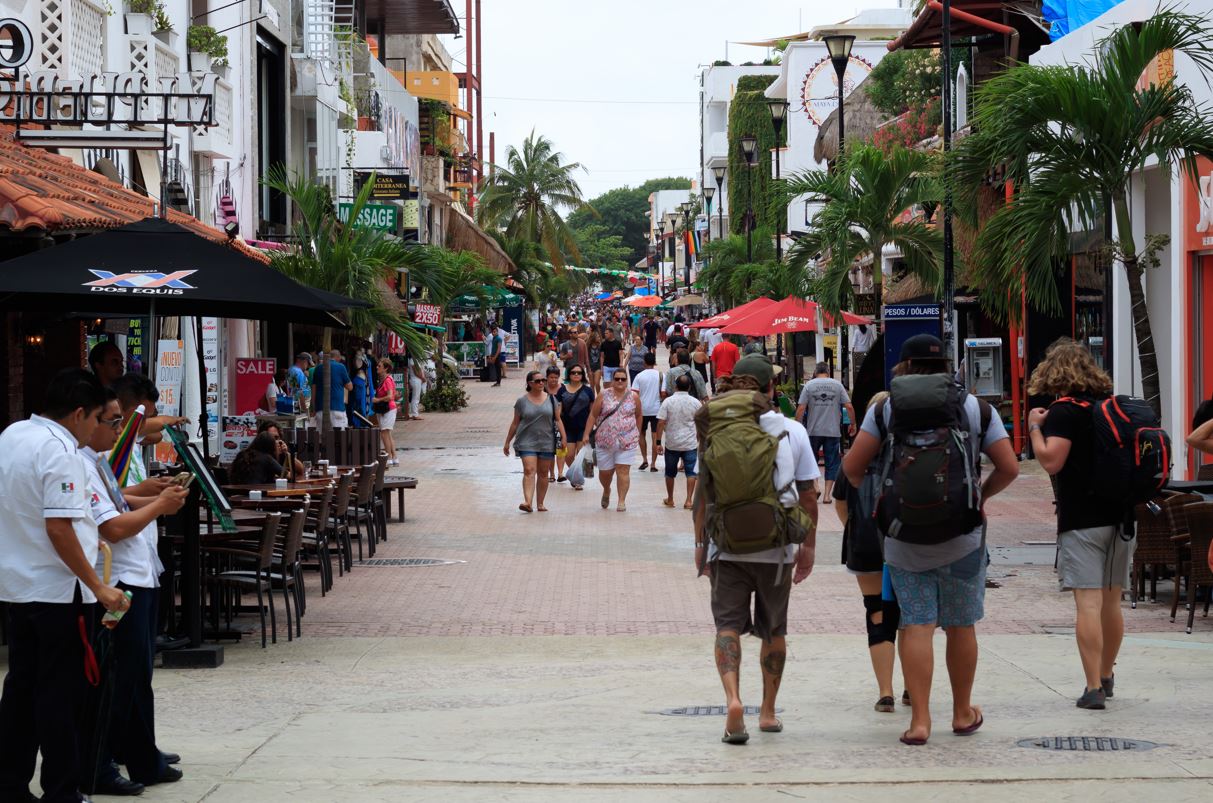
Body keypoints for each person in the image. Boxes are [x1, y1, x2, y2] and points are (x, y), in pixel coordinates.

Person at [842, 334, 1019, 746]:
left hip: (904, 539)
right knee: (960, 625)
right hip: (964, 536)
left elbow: (853, 467)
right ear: (947, 366)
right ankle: (961, 713)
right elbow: (1009, 467)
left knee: (917, 625)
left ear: (902, 367)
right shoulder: (976, 407)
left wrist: (883, 497)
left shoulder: (885, 408)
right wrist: (979, 496)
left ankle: (919, 722)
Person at [0, 368, 130, 802]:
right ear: (78, 413)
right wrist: (98, 585)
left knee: (21, 688)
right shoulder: (62, 452)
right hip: (59, 591)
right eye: (97, 418)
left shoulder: (13, 435)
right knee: (60, 694)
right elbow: (59, 528)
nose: (97, 428)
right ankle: (62, 789)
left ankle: (11, 783)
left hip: (19, 586)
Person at [694, 354, 819, 744]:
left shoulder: (715, 428)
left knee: (726, 626)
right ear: (770, 389)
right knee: (774, 629)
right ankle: (766, 713)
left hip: (727, 545)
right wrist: (809, 546)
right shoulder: (792, 431)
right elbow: (810, 495)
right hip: (777, 547)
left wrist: (701, 546)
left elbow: (703, 495)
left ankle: (733, 700)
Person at [81, 386, 188, 795]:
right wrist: (158, 506)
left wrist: (151, 492)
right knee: (121, 675)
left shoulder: (99, 460)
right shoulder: (93, 457)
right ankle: (105, 760)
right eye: (114, 422)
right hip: (117, 577)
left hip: (139, 571)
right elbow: (110, 524)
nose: (120, 429)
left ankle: (139, 752)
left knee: (137, 672)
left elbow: (117, 497)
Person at [1026, 338, 1134, 710]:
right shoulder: (1110, 408)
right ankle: (1107, 673)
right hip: (1121, 518)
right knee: (1112, 602)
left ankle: (1092, 688)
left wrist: (1034, 429)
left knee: (1087, 605)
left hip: (1082, 520)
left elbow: (1051, 461)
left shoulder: (1064, 412)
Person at [833, 391, 905, 713]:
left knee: (876, 610)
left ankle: (885, 691)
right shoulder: (909, 454)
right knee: (911, 615)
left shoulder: (856, 459)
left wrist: (858, 525)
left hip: (864, 544)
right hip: (905, 543)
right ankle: (913, 688)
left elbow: (840, 503)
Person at [503, 371, 568, 513]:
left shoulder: (552, 400)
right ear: (530, 383)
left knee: (544, 473)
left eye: (542, 380)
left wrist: (564, 437)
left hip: (547, 441)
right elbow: (515, 423)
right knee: (529, 470)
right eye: (537, 381)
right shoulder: (522, 401)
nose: (541, 383)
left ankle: (540, 503)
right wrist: (507, 441)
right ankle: (527, 502)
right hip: (526, 441)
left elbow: (558, 419)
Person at [582, 369, 643, 511]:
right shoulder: (603, 395)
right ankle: (606, 489)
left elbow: (639, 415)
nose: (620, 381)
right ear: (612, 380)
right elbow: (593, 415)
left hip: (627, 441)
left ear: (627, 380)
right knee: (605, 473)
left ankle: (621, 501)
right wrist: (586, 434)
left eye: (623, 379)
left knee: (623, 471)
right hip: (605, 440)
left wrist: (637, 433)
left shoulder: (633, 396)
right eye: (617, 379)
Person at [795, 362, 856, 502]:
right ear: (828, 372)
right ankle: (828, 495)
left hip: (813, 431)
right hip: (832, 430)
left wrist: (798, 427)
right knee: (832, 462)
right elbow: (849, 407)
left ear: (815, 372)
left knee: (811, 460)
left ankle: (816, 486)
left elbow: (801, 408)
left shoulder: (809, 386)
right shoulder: (837, 385)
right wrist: (853, 423)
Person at [656, 373, 702, 509]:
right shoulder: (695, 402)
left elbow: (661, 423)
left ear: (675, 386)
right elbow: (701, 422)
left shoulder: (668, 402)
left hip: (672, 443)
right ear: (689, 387)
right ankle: (689, 501)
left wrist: (658, 442)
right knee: (691, 472)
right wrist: (698, 437)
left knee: (670, 473)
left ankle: (670, 499)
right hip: (690, 443)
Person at [557, 364, 594, 489]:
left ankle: (578, 479)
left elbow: (593, 412)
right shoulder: (562, 390)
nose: (576, 375)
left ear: (582, 375)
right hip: (567, 427)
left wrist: (593, 429)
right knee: (568, 455)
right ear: (569, 375)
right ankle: (575, 474)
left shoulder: (588, 391)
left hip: (584, 427)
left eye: (579, 373)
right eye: (573, 372)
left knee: (581, 455)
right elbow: (558, 413)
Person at [631, 352, 664, 472]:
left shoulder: (639, 376)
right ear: (654, 362)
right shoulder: (661, 375)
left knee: (641, 434)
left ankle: (645, 459)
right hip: (657, 410)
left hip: (642, 410)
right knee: (655, 435)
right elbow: (664, 393)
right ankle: (653, 464)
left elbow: (634, 394)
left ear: (644, 362)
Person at [311, 349, 354, 429]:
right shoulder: (341, 367)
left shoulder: (318, 368)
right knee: (339, 438)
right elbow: (350, 387)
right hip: (337, 408)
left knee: (322, 437)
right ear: (338, 357)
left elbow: (313, 390)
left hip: (320, 409)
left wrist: (314, 409)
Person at [373, 359, 400, 466]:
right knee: (387, 433)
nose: (377, 367)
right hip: (386, 409)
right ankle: (394, 457)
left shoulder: (388, 380)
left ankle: (389, 457)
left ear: (385, 368)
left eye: (379, 366)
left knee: (384, 433)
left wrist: (378, 400)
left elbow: (390, 396)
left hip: (388, 409)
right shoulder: (384, 379)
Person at [408, 354, 427, 421]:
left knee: (415, 397)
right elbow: (416, 372)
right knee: (416, 397)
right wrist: (422, 378)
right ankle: (415, 414)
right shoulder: (412, 360)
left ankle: (414, 413)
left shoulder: (415, 360)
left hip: (417, 380)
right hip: (415, 380)